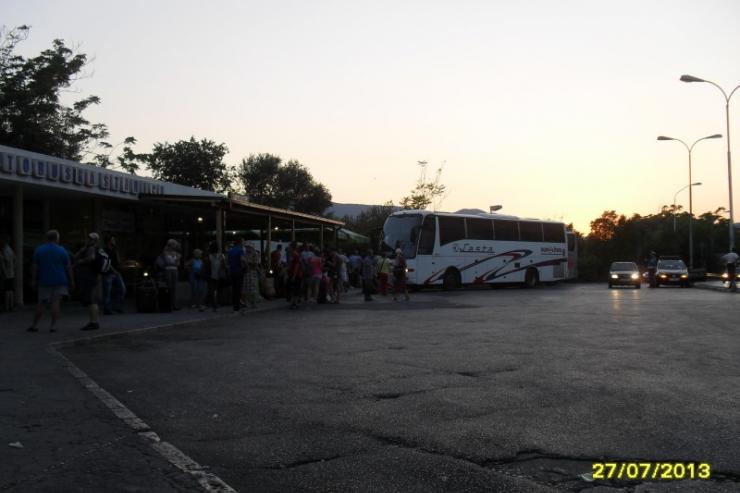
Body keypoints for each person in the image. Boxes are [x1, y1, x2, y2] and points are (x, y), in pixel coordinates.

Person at [28, 230, 74, 332]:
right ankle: (53, 326)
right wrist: (72, 281)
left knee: (41, 303)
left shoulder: (39, 250)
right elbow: (68, 267)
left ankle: (34, 325)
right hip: (60, 280)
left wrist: (33, 280)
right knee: (56, 303)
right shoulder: (62, 250)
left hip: (44, 280)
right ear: (57, 238)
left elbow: (35, 267)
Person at [74, 232, 104, 331]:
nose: (87, 240)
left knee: (91, 300)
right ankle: (94, 322)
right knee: (91, 299)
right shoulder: (91, 248)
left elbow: (91, 258)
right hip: (92, 276)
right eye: (88, 238)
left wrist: (81, 261)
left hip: (89, 277)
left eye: (90, 239)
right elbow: (76, 256)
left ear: (94, 240)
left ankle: (94, 322)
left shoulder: (91, 248)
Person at [102, 236, 126, 314]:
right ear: (109, 241)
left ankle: (116, 306)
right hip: (108, 273)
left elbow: (118, 261)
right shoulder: (104, 250)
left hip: (116, 272)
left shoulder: (114, 250)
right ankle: (107, 308)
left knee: (122, 289)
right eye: (113, 240)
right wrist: (114, 270)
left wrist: (117, 251)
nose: (114, 241)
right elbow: (106, 261)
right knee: (107, 292)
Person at [158, 239, 181, 310]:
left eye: (174, 245)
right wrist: (174, 262)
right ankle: (169, 304)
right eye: (173, 245)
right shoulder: (165, 252)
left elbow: (178, 263)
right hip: (168, 270)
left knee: (174, 287)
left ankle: (174, 304)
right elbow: (166, 262)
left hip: (175, 270)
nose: (174, 246)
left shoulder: (176, 253)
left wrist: (175, 261)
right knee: (169, 287)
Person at [204, 241, 227, 311]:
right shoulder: (221, 256)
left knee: (211, 290)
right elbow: (224, 266)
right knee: (217, 290)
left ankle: (211, 303)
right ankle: (214, 303)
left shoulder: (208, 256)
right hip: (219, 275)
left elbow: (206, 267)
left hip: (211, 275)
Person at [227, 238, 246, 312]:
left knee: (234, 288)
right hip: (239, 271)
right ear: (240, 243)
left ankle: (234, 305)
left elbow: (228, 261)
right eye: (243, 242)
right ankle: (237, 306)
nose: (244, 243)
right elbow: (242, 260)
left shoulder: (230, 251)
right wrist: (245, 266)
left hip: (232, 271)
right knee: (238, 289)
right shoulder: (240, 250)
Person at [241, 244, 261, 310]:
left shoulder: (255, 254)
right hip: (246, 273)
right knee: (246, 288)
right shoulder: (245, 254)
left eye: (248, 247)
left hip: (252, 273)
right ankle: (247, 302)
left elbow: (256, 264)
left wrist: (248, 263)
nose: (247, 249)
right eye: (246, 247)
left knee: (253, 288)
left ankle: (253, 303)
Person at [0, 235, 16, 312]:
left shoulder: (4, 251)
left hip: (6, 273)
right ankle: (11, 306)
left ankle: (6, 307)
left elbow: (3, 264)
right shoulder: (10, 250)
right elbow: (15, 260)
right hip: (11, 273)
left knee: (7, 290)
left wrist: (4, 272)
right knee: (10, 290)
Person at [287, 242, 304, 309]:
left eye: (289, 247)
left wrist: (294, 275)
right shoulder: (293, 255)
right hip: (294, 274)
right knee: (294, 288)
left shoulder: (295, 255)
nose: (289, 248)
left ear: (292, 247)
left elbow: (296, 266)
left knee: (295, 288)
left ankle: (294, 302)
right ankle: (294, 302)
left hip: (296, 274)